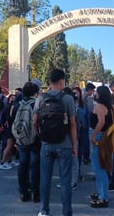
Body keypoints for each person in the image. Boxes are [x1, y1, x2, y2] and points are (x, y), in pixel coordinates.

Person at [33, 69, 77, 216]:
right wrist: (75, 145)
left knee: (45, 178)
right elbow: (72, 124)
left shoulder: (40, 98)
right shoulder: (68, 99)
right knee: (65, 180)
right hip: (64, 144)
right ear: (61, 81)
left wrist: (41, 136)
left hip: (46, 144)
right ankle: (66, 212)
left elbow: (34, 122)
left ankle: (44, 210)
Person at [89, 86, 114, 208]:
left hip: (98, 136)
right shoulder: (109, 106)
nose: (95, 94)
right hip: (105, 136)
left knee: (99, 168)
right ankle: (101, 192)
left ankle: (103, 197)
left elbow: (101, 122)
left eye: (97, 92)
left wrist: (93, 135)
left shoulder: (99, 106)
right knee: (103, 166)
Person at [16, 81, 41, 202]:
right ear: (36, 93)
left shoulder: (17, 105)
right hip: (35, 139)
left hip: (21, 139)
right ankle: (35, 193)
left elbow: (12, 121)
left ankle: (23, 192)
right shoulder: (36, 104)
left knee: (22, 165)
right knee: (35, 166)